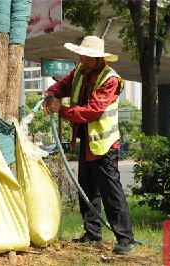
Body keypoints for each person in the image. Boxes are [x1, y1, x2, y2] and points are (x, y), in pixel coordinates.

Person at [43, 36, 134, 254]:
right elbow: (62, 85)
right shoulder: (79, 72)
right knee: (87, 188)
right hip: (87, 142)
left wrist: (61, 111)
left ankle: (125, 239)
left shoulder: (110, 79)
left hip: (105, 144)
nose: (82, 58)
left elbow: (93, 111)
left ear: (99, 58)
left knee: (111, 192)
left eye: (87, 56)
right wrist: (51, 93)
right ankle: (92, 234)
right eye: (82, 54)